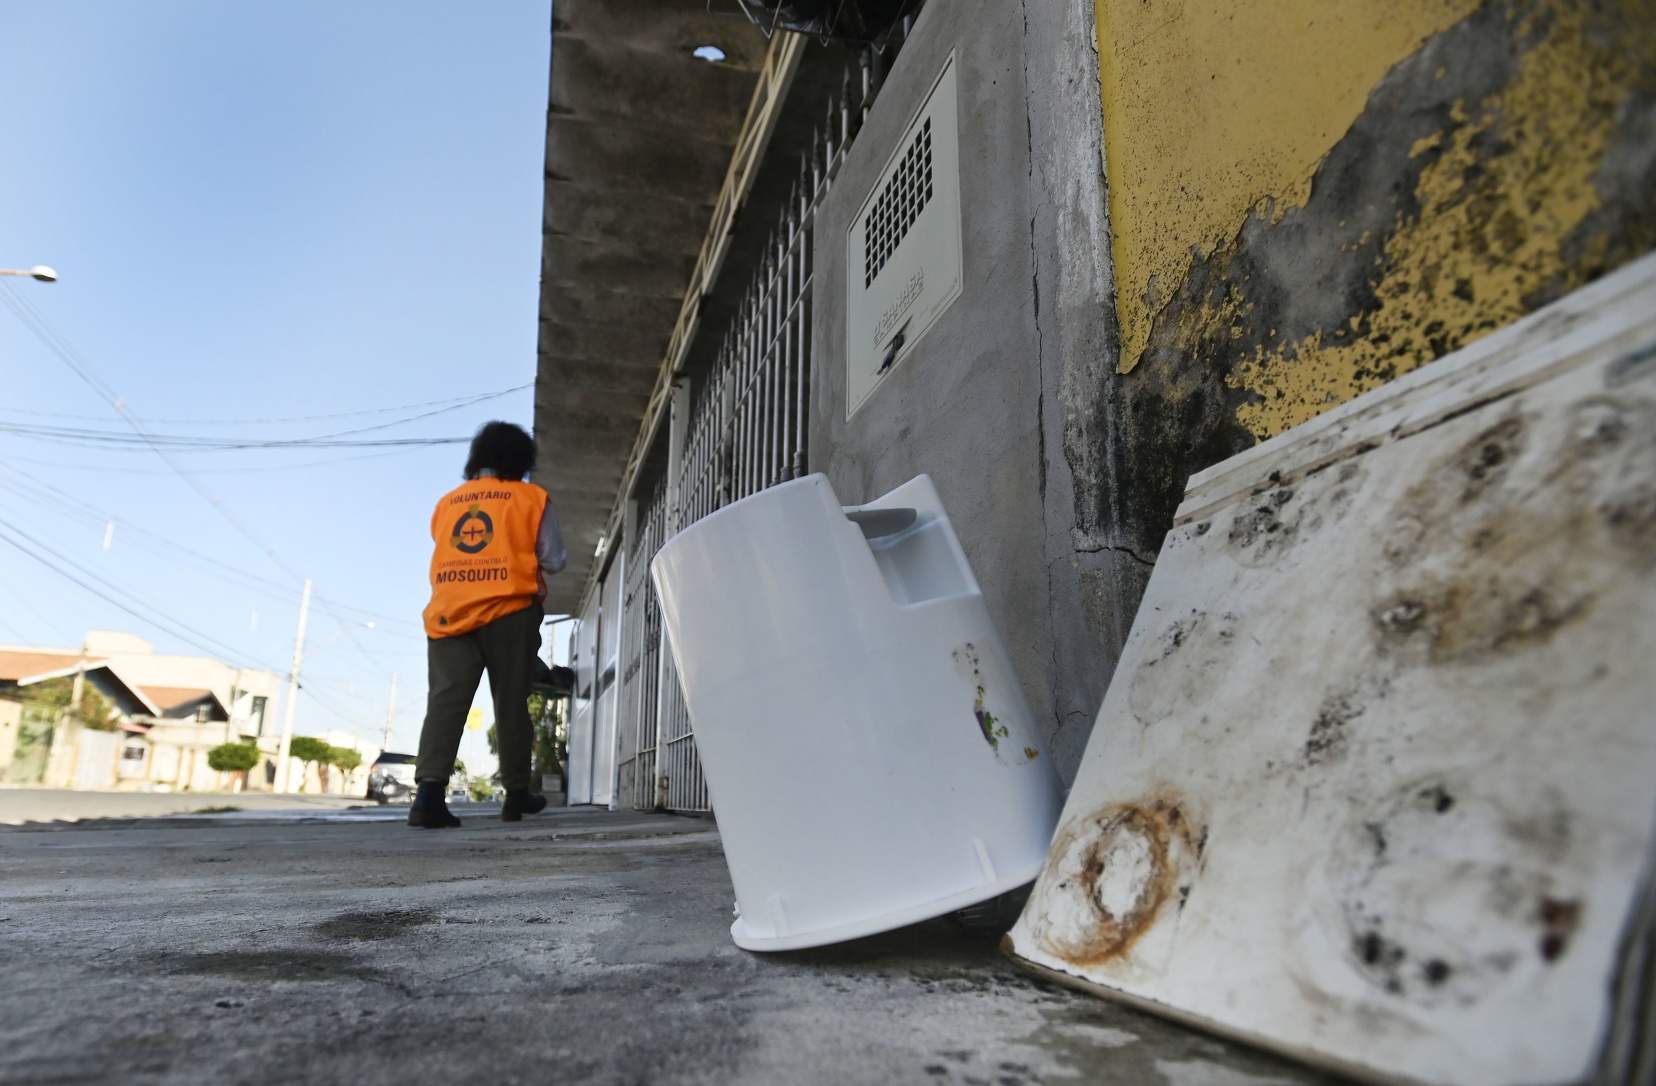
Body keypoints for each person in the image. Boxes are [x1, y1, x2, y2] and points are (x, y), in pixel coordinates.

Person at [409, 421, 566, 828]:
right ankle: (515, 796)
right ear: (522, 459)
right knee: (511, 700)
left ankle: (427, 797)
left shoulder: (448, 504)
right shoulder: (531, 499)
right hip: (508, 609)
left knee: (445, 701)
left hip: (449, 612)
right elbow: (554, 560)